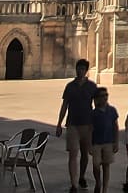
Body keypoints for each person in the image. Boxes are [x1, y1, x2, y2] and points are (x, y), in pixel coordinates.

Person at [56, 58, 97, 193]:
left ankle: (82, 176)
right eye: (78, 69)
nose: (80, 71)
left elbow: (97, 106)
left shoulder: (92, 86)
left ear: (86, 71)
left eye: (82, 69)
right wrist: (59, 123)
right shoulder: (70, 86)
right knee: (73, 153)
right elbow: (64, 105)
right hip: (72, 124)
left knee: (85, 153)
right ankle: (73, 184)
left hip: (87, 124)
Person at [90, 87, 119, 193]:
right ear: (97, 99)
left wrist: (116, 142)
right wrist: (89, 145)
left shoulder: (112, 110)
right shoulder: (93, 113)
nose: (105, 97)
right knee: (96, 165)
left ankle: (105, 189)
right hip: (96, 143)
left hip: (108, 142)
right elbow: (90, 130)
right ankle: (98, 182)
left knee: (106, 165)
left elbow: (115, 127)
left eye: (106, 95)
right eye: (102, 96)